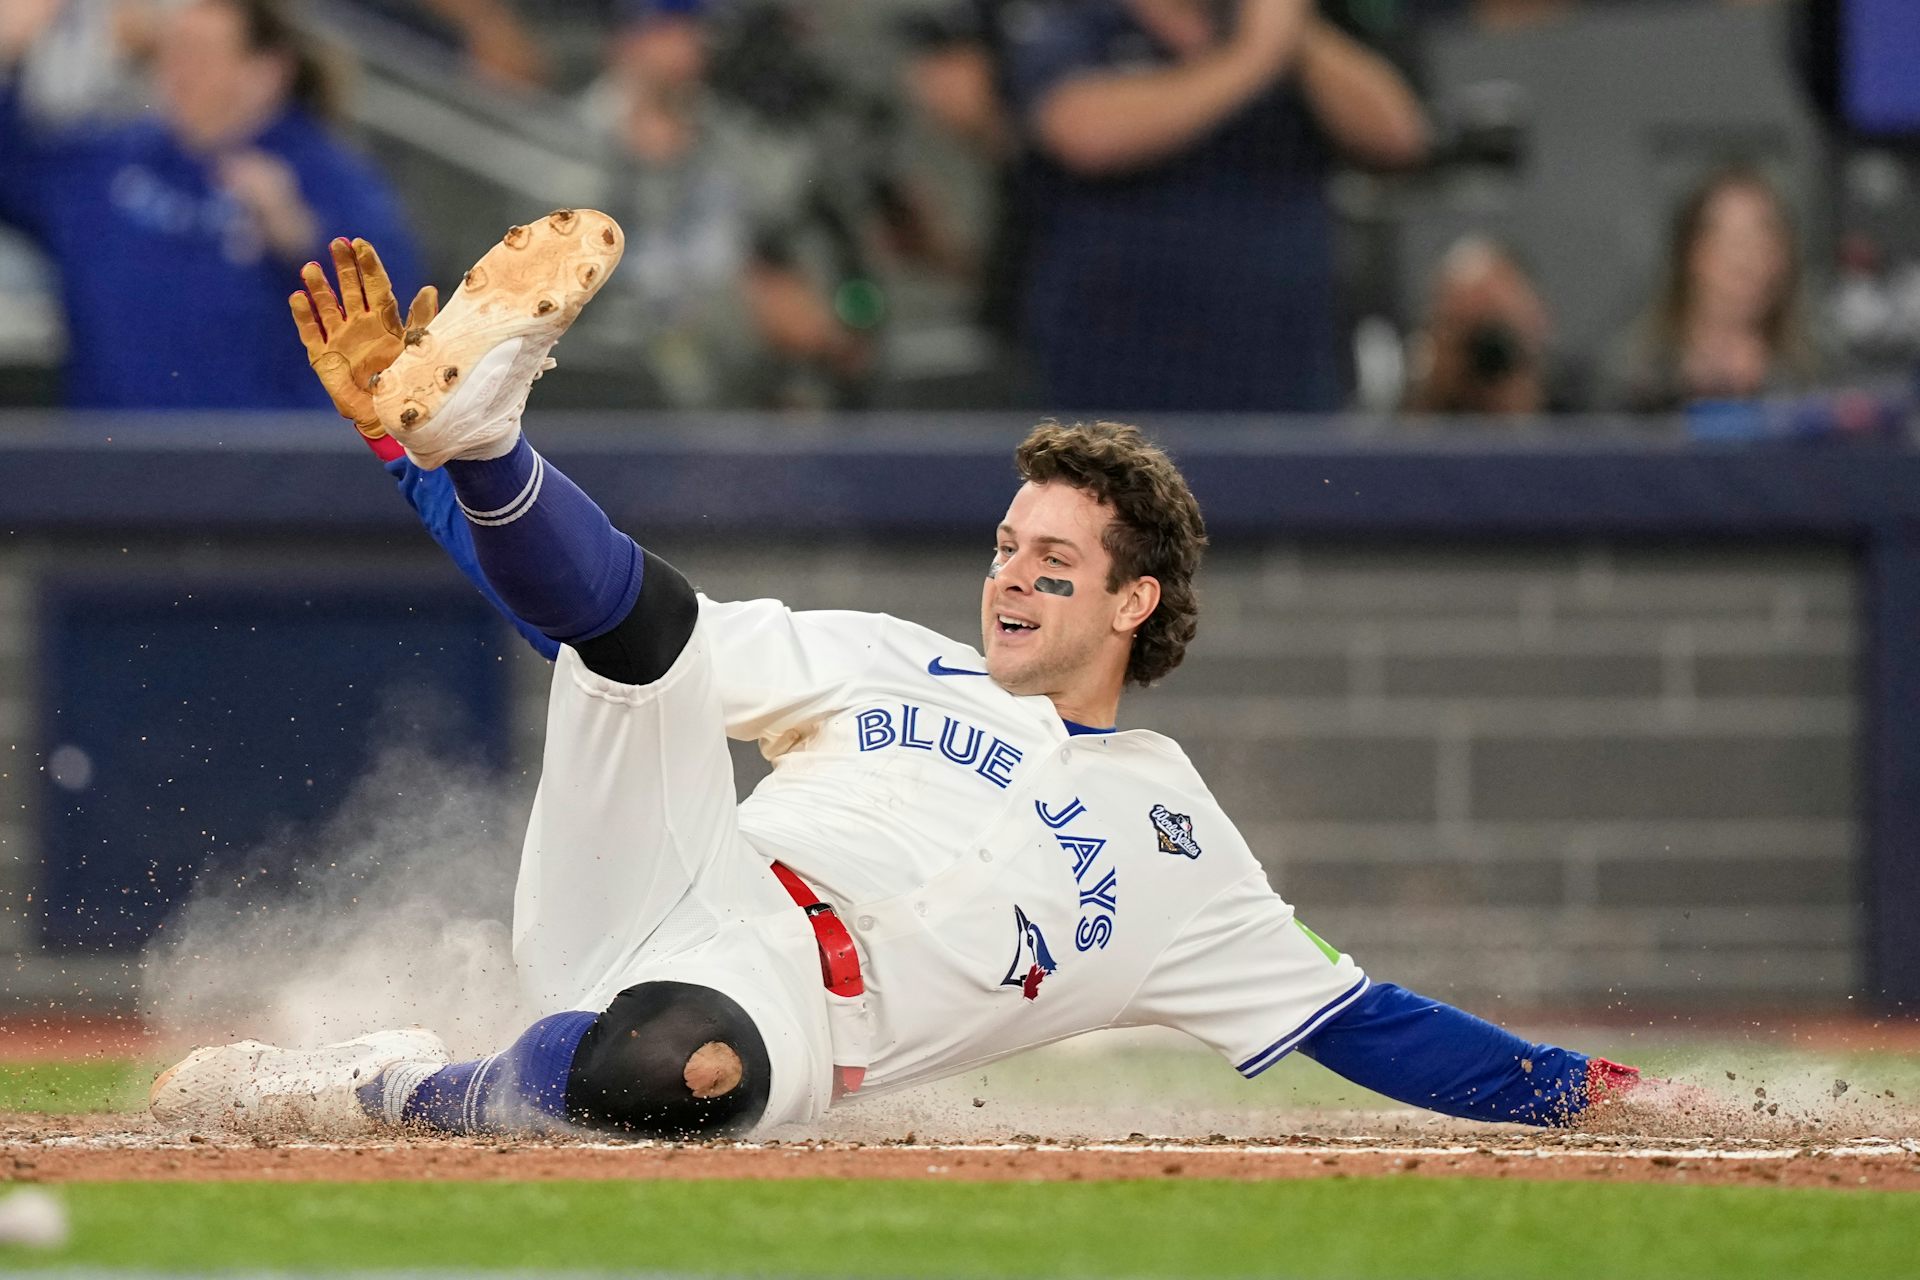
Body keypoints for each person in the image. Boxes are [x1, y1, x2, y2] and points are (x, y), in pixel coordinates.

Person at [151, 213, 1708, 1140]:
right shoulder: (888, 658)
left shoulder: (1180, 845)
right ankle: (483, 435)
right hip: (674, 866)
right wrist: (402, 449)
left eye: (1055, 561)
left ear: (1134, 602)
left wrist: (1586, 1093)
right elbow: (599, 612)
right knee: (657, 647)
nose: (1012, 574)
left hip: (776, 1001)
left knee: (670, 1072)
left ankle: (400, 1085)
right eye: (1007, 542)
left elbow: (1362, 1019)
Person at [1006, 0, 1429, 413]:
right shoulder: (1079, 28)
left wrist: (1293, 31)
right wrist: (1254, 57)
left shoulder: (1298, 39)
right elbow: (1085, 134)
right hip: (1113, 369)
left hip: (1280, 372)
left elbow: (1397, 138)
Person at [0, 0, 419, 409]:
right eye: (172, 49)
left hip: (262, 464)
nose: (179, 70)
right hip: (113, 457)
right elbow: (16, 172)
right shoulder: (113, 163)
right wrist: (9, 49)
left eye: (201, 53)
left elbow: (393, 318)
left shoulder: (323, 176)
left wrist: (299, 236)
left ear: (265, 72)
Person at [1601, 166, 1817, 413]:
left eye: (1763, 240)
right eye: (1731, 241)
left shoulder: (1815, 379)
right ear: (1691, 251)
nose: (1747, 261)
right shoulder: (1634, 375)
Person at [1403, 236, 1558, 417]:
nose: (1484, 354)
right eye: (1461, 331)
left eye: (1495, 332)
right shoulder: (1396, 428)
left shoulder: (1582, 419)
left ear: (1538, 322)